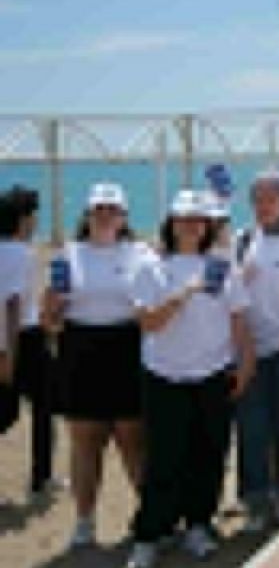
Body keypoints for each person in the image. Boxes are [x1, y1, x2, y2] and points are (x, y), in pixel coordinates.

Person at [125, 190, 255, 568]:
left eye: (199, 220)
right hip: (164, 375)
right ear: (171, 224)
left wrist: (245, 364)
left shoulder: (222, 267)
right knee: (163, 458)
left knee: (209, 455)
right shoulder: (151, 268)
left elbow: (238, 318)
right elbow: (149, 322)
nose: (192, 226)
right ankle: (151, 534)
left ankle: (199, 524)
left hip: (212, 374)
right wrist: (185, 293)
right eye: (184, 219)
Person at [42, 183, 151, 549]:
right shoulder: (68, 255)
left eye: (112, 209)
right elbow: (50, 321)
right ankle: (85, 522)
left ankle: (148, 517)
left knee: (132, 440)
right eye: (98, 209)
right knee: (85, 442)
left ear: (123, 217)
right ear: (87, 215)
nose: (105, 215)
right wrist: (51, 305)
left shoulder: (140, 253)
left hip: (127, 348)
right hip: (80, 349)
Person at [233, 172, 279, 529]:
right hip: (250, 347)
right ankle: (256, 500)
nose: (264, 206)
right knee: (252, 426)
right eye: (258, 200)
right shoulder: (242, 240)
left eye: (271, 199)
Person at [0, 185, 58, 498]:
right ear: (23, 219)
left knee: (10, 409)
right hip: (23, 339)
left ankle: (43, 475)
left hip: (9, 338)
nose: (36, 221)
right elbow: (13, 304)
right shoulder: (23, 254)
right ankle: (41, 477)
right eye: (34, 215)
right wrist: (9, 354)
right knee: (42, 408)